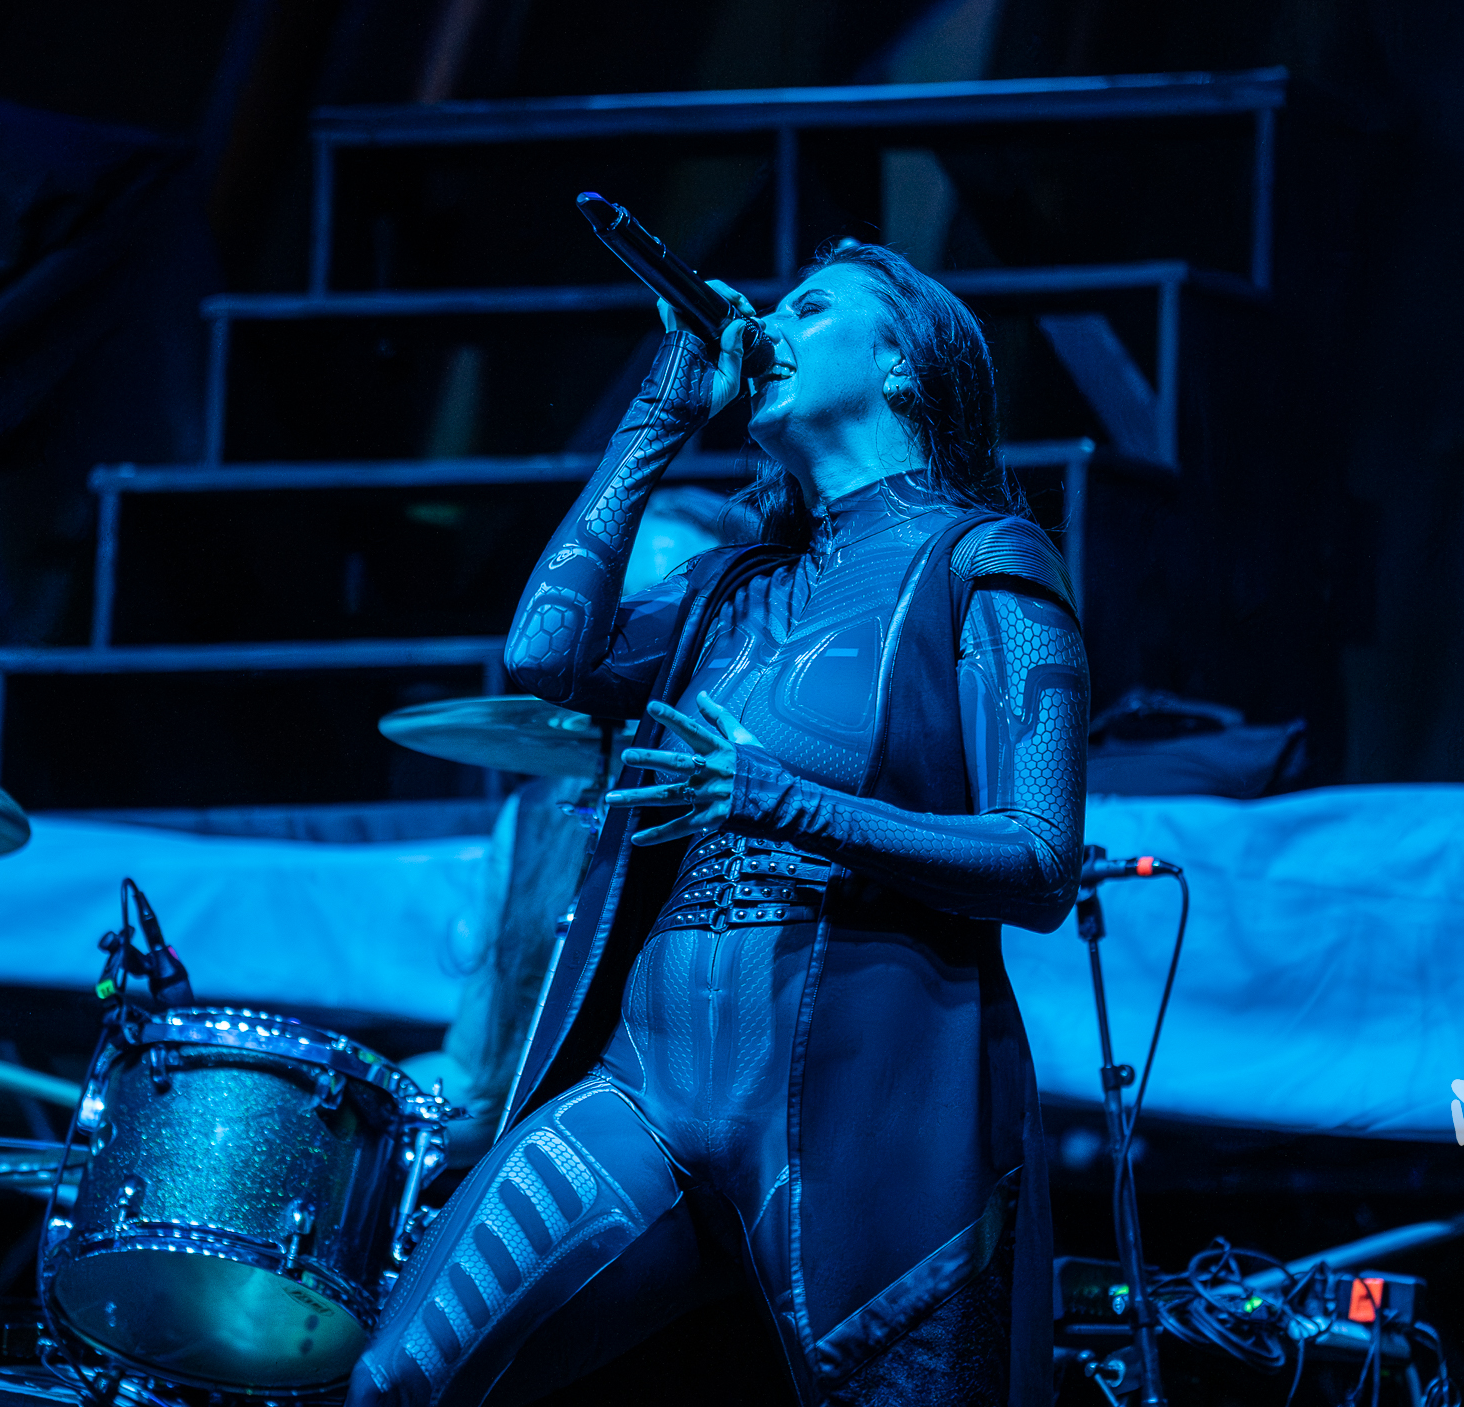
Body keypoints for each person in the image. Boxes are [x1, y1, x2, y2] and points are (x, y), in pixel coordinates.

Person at [349, 241, 1089, 1406]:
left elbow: (1041, 859)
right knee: (399, 1380)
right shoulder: (726, 588)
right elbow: (545, 654)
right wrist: (660, 404)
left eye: (812, 304)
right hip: (645, 1090)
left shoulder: (982, 556)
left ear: (901, 364)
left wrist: (772, 800)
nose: (774, 320)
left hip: (864, 1120)